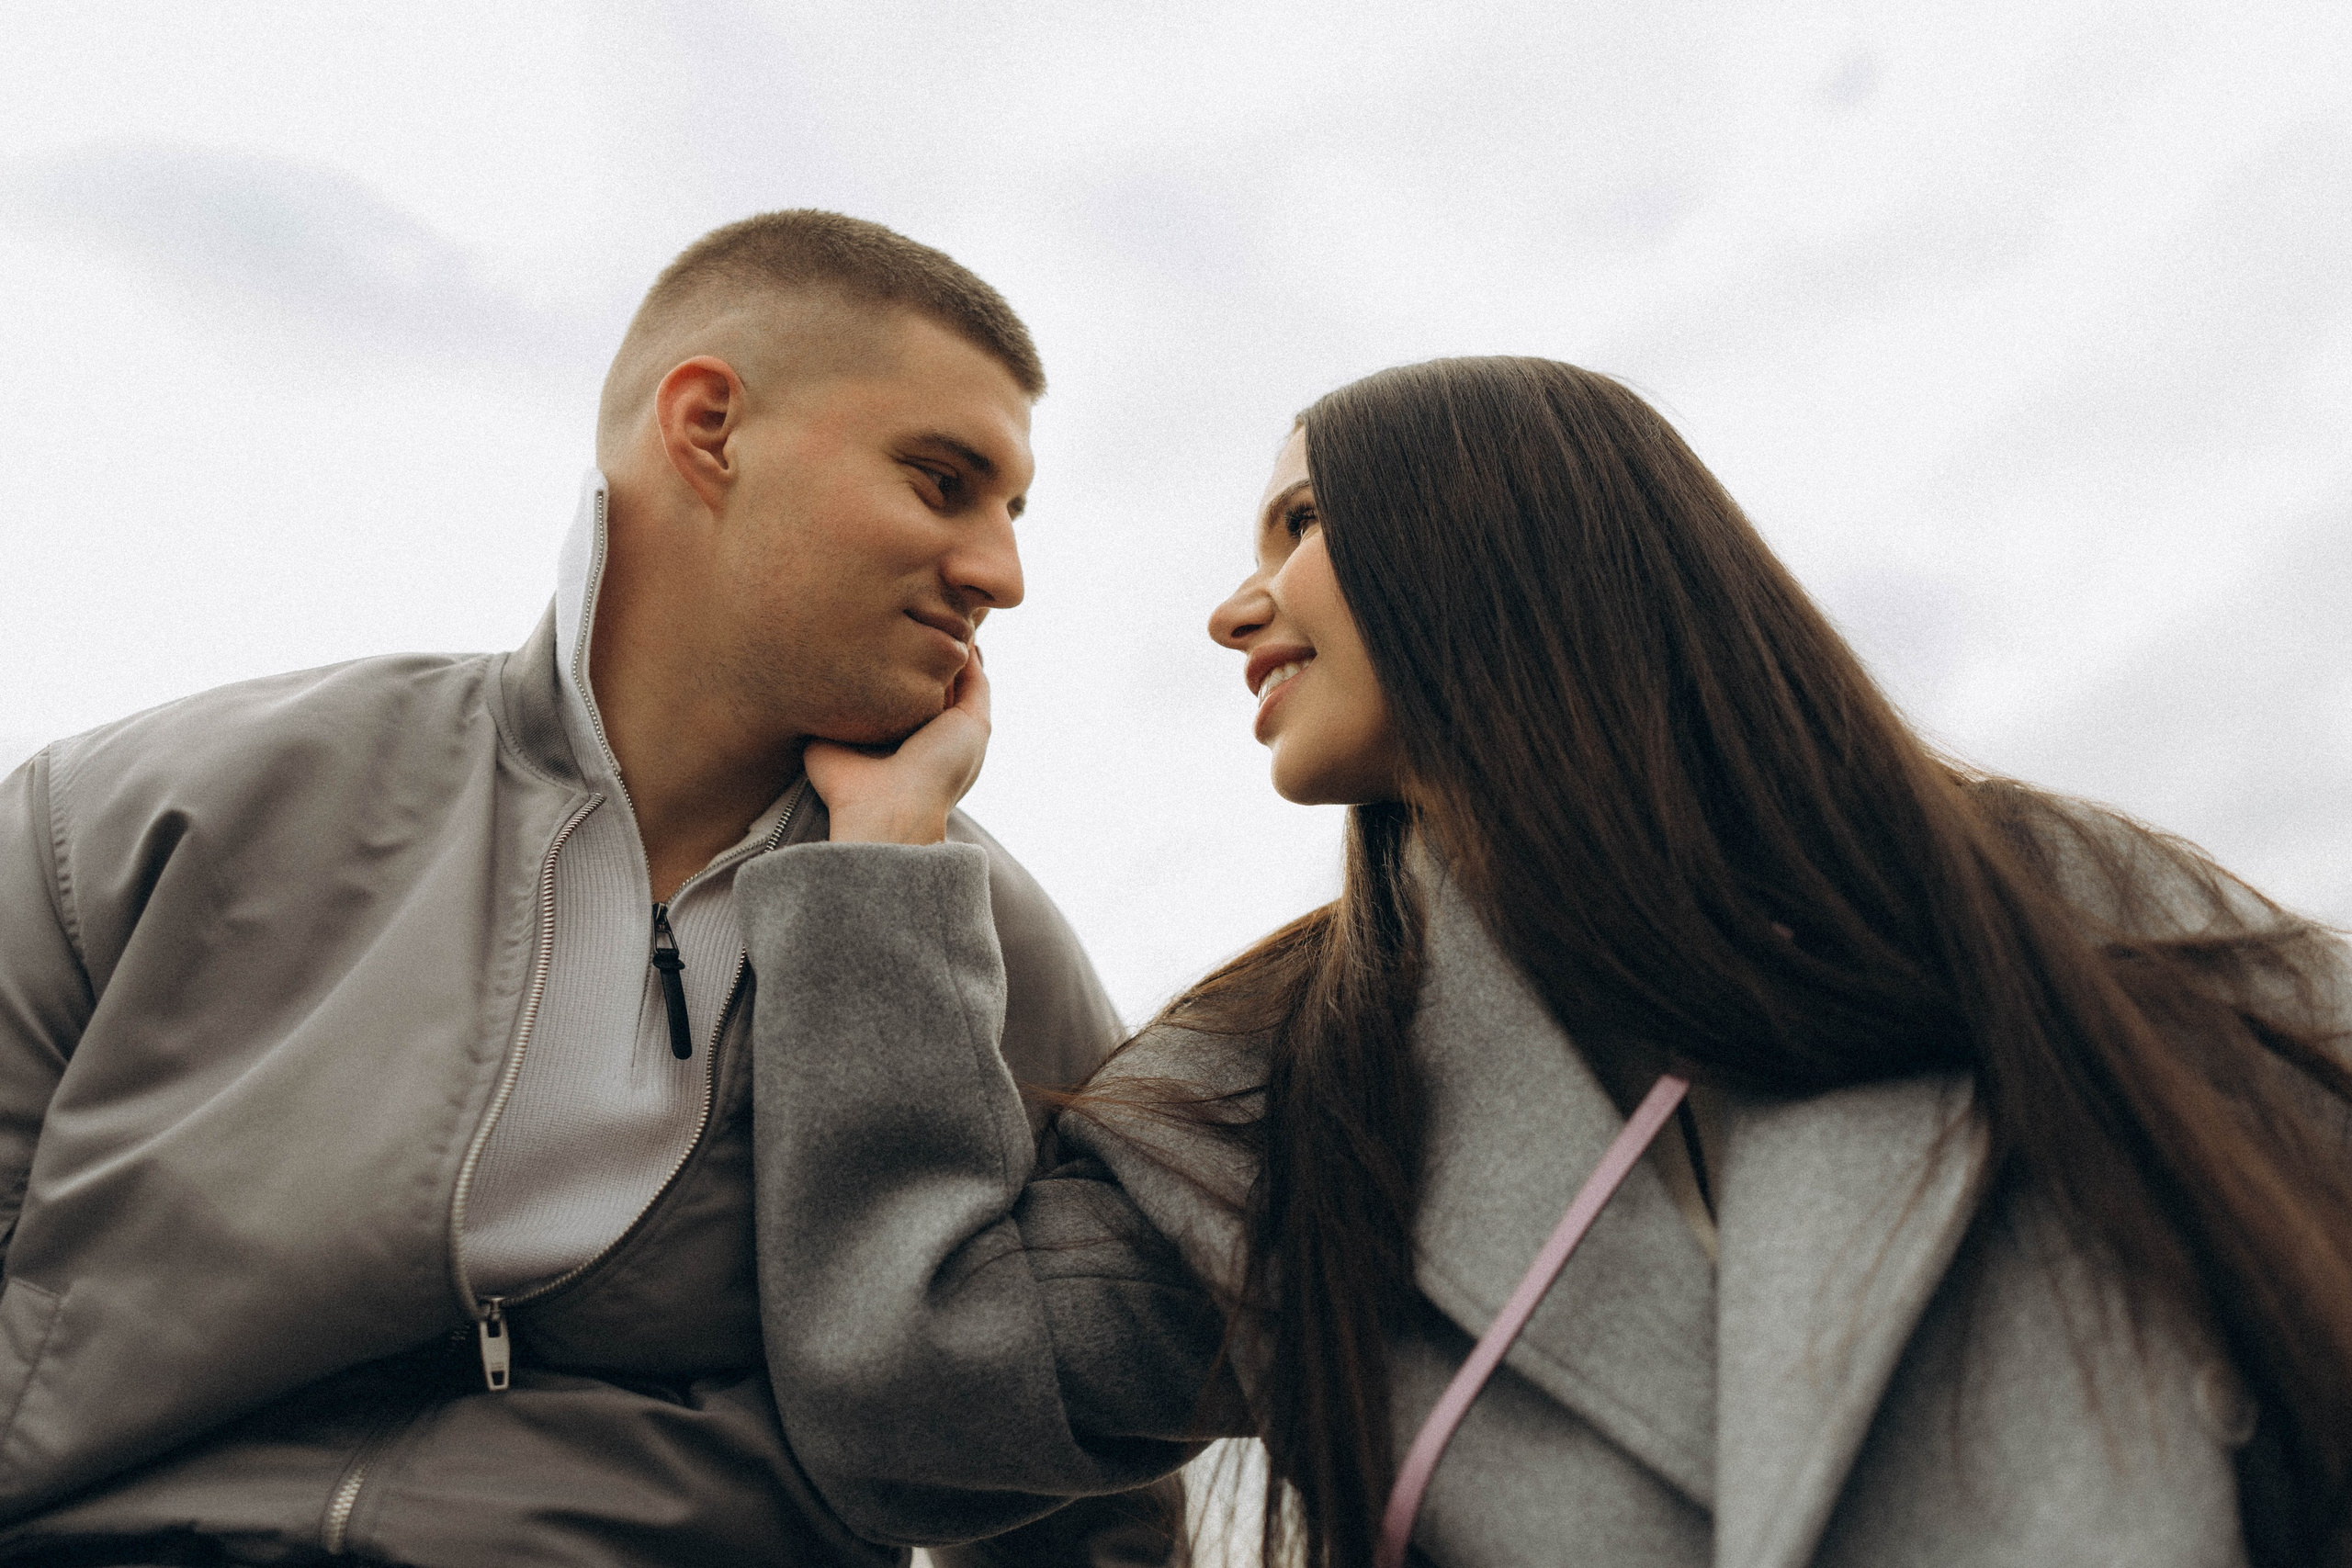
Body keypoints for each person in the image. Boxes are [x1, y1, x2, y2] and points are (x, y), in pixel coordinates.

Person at [737, 356, 2352, 1567]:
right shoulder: (1285, 1078)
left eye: (1301, 522)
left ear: (1500, 531)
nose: (1237, 610)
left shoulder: (2056, 908)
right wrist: (879, 871)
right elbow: (916, 1400)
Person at [0, 210, 1180, 1567]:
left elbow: (1085, 1472)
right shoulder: (158, 809)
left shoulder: (987, 948)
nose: (1001, 574)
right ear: (709, 428)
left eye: (1010, 513)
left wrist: (887, 891)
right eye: (942, 481)